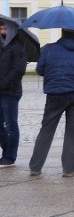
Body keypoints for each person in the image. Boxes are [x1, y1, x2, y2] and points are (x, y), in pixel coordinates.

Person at [28, 29, 74, 177]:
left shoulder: (48, 48)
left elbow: (40, 69)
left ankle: (35, 167)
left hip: (55, 93)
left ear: (62, 32)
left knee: (46, 130)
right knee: (73, 132)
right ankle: (69, 169)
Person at [0, 19, 28, 167]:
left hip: (10, 92)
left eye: (5, 26)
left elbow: (19, 69)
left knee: (10, 124)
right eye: (0, 26)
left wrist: (4, 83)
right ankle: (6, 150)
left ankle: (10, 156)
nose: (3, 28)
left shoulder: (18, 46)